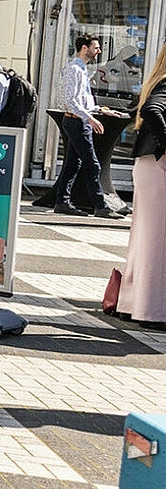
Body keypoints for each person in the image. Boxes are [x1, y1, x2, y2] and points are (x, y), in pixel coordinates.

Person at [116, 51, 166, 322]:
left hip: (149, 166)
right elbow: (151, 110)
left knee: (145, 238)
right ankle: (150, 311)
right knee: (156, 240)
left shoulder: (156, 81)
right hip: (158, 167)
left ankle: (132, 304)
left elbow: (141, 110)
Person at [55, 33, 124, 218]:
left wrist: (102, 110)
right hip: (76, 121)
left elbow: (81, 100)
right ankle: (100, 206)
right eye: (96, 47)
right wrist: (90, 118)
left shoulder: (82, 69)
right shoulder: (74, 70)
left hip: (78, 120)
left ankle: (62, 202)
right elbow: (70, 101)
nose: (99, 51)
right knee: (92, 164)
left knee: (72, 164)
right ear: (84, 48)